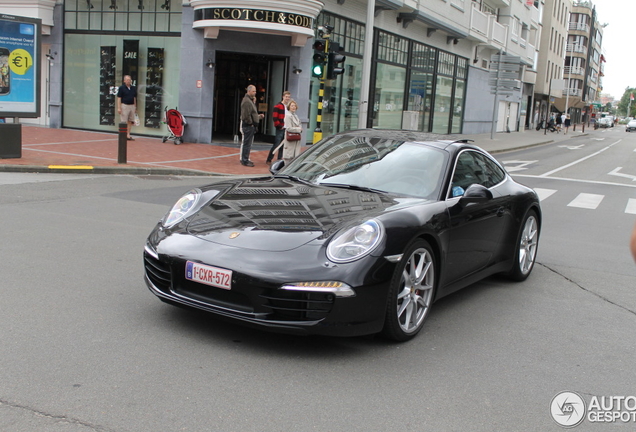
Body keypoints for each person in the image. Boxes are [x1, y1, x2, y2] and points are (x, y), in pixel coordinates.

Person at [239, 85, 264, 167]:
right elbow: (246, 115)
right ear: (249, 91)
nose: (255, 92)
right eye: (253, 91)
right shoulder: (246, 101)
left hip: (251, 125)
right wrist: (251, 123)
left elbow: (252, 114)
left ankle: (245, 159)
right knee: (247, 143)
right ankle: (245, 160)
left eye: (255, 91)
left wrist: (258, 117)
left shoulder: (250, 101)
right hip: (248, 126)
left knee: (248, 143)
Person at [266, 91, 291, 164]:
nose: (287, 98)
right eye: (286, 97)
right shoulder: (277, 106)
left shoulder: (288, 107)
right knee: (277, 144)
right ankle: (269, 159)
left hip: (286, 128)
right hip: (280, 128)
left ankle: (279, 160)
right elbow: (274, 117)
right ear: (283, 97)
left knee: (283, 145)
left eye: (288, 97)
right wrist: (279, 126)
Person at [117, 75, 137, 140]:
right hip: (124, 105)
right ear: (124, 81)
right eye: (127, 80)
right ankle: (123, 135)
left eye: (130, 80)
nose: (129, 81)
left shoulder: (133, 88)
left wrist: (135, 106)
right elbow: (119, 98)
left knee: (130, 121)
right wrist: (119, 107)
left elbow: (134, 98)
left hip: (132, 106)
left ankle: (128, 134)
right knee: (124, 121)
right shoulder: (121, 88)